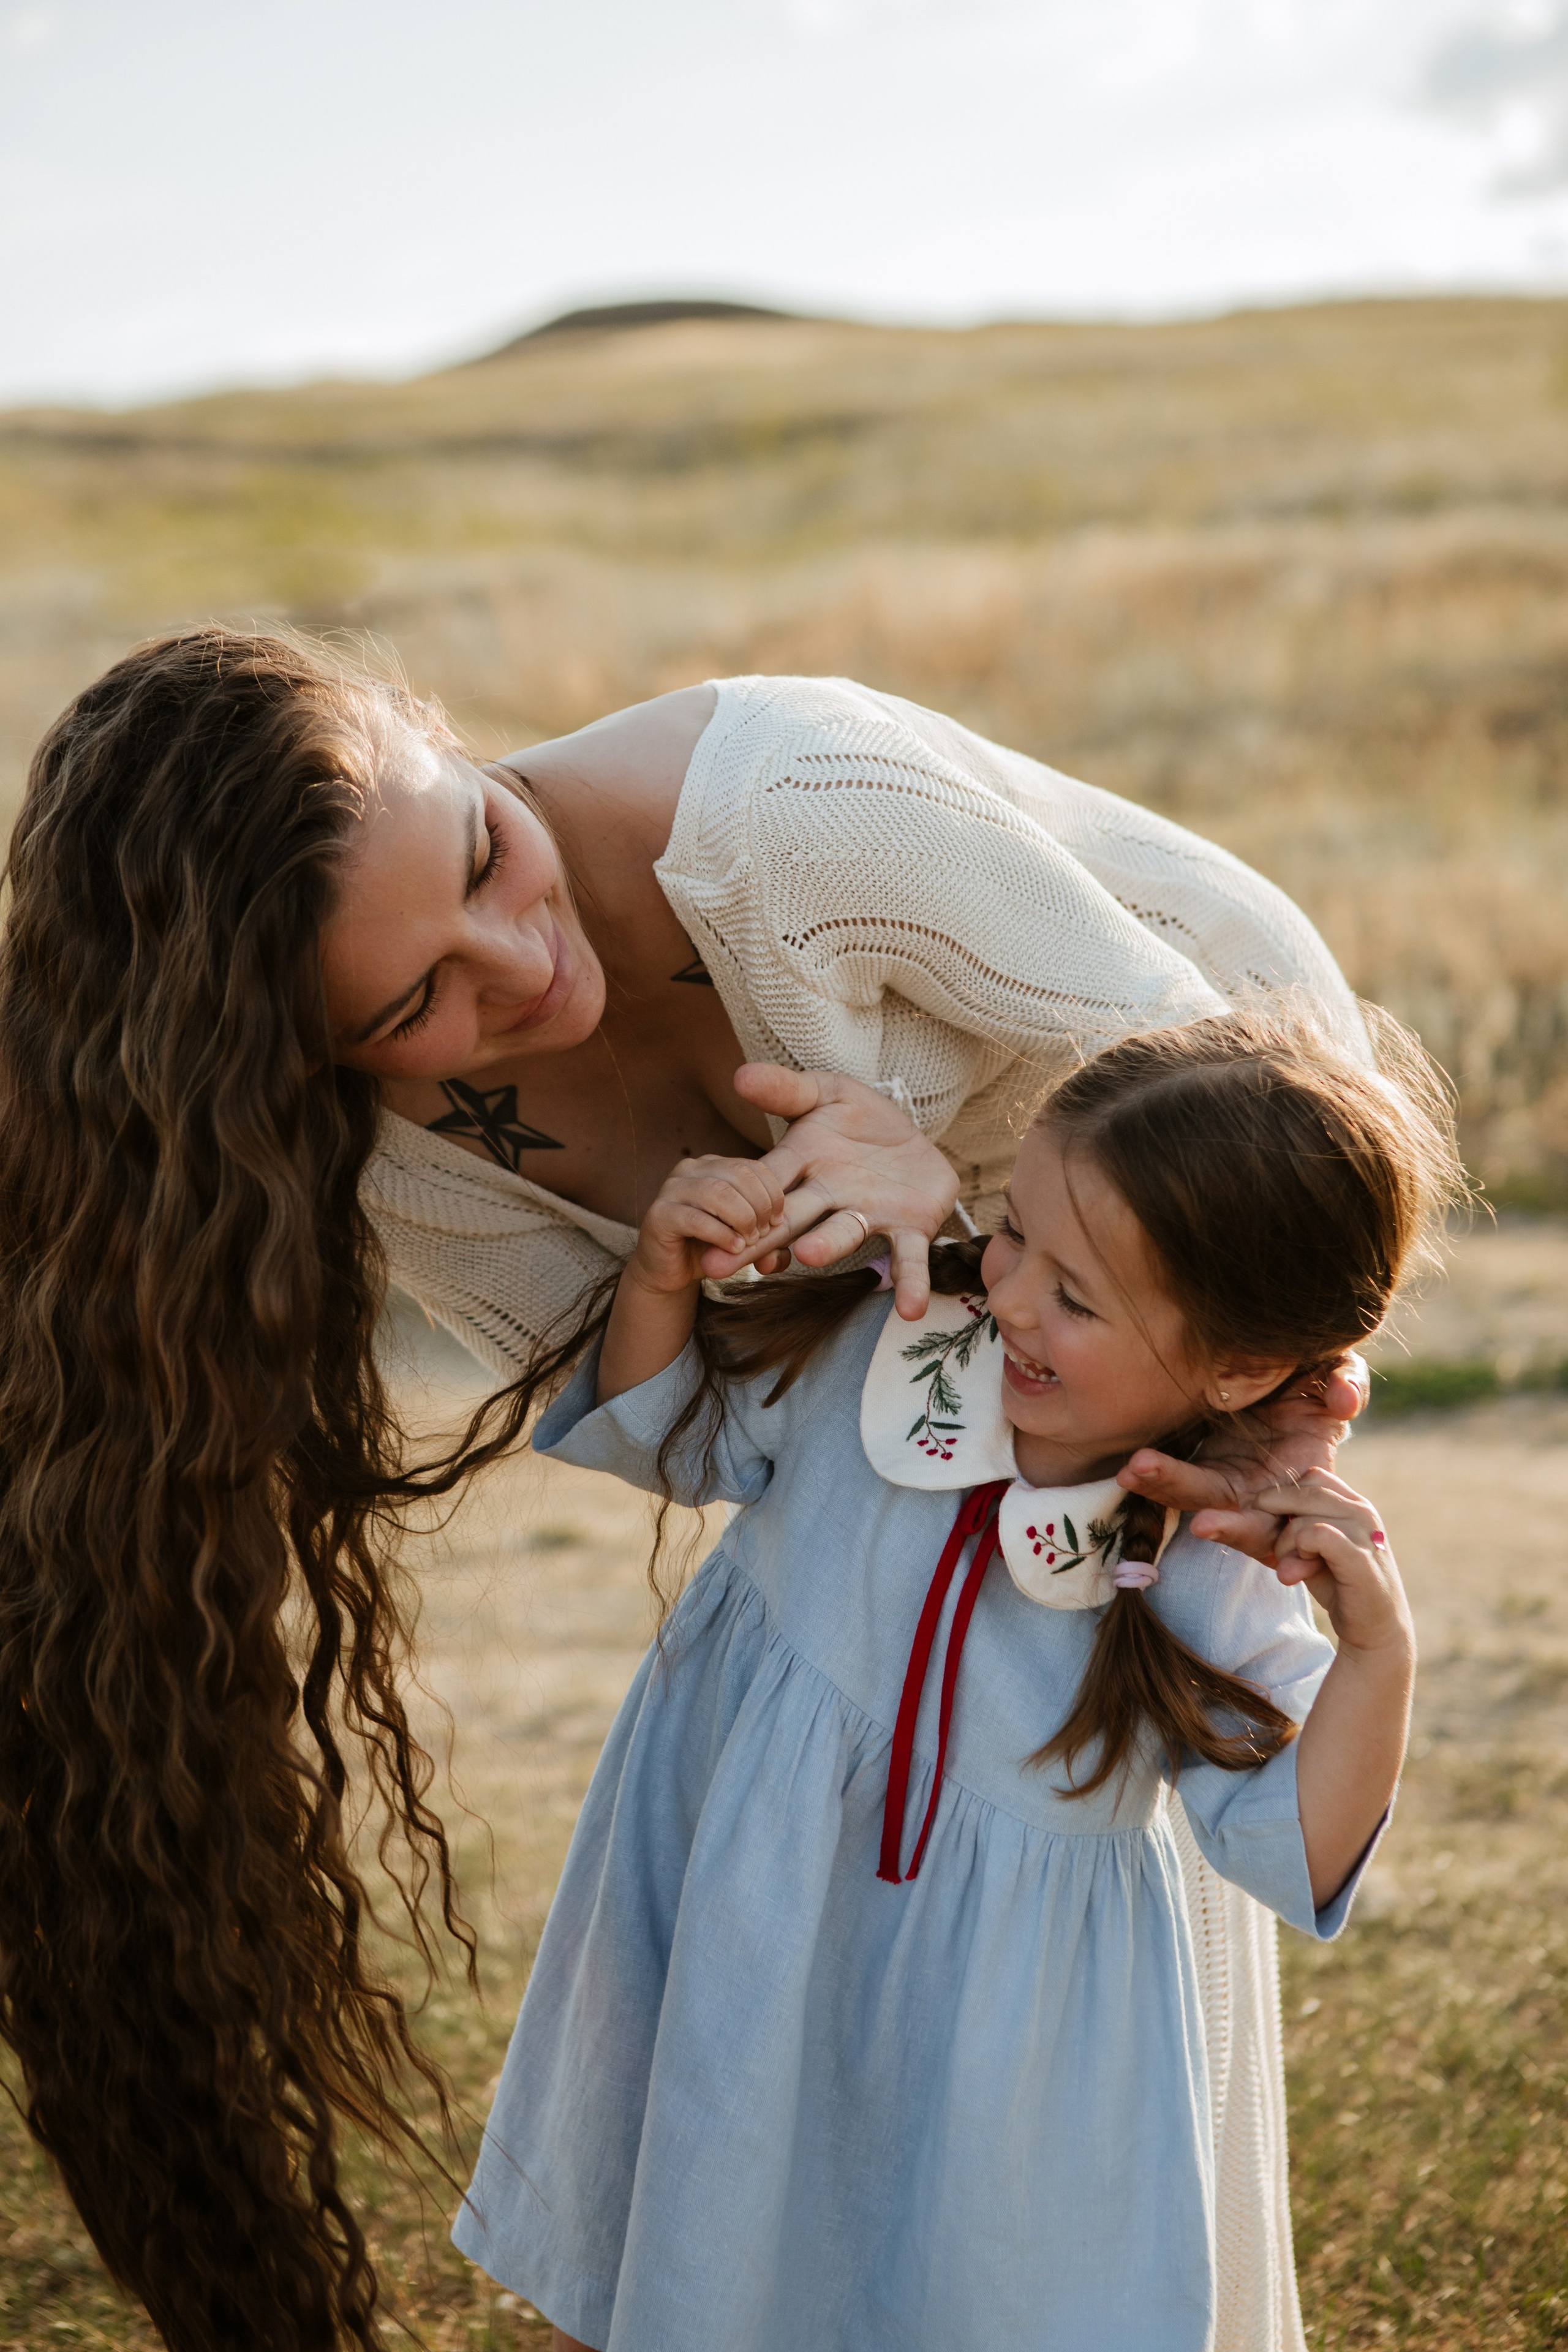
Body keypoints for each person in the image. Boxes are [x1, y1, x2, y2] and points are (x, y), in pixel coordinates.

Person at [0, 628, 1368, 2351]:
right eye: (411, 1004)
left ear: (454, 734)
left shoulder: (792, 816)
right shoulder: (412, 1170)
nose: (517, 967)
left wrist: (941, 1216)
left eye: (485, 850)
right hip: (944, 1464)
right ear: (308, 1057)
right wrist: (787, 1270)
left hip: (1239, 1212)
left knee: (1044, 1997)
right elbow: (742, 1416)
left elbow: (1240, 1154)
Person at [458, 1011, 1457, 2352]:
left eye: (1077, 1296)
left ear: (1237, 1366)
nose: (1015, 1297)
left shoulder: (1211, 1557)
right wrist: (657, 1281)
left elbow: (1289, 1843)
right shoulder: (887, 1348)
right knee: (689, 2243)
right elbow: (659, 1435)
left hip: (1000, 2051)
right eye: (1017, 1234)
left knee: (950, 2290)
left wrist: (1377, 1655)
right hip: (751, 1925)